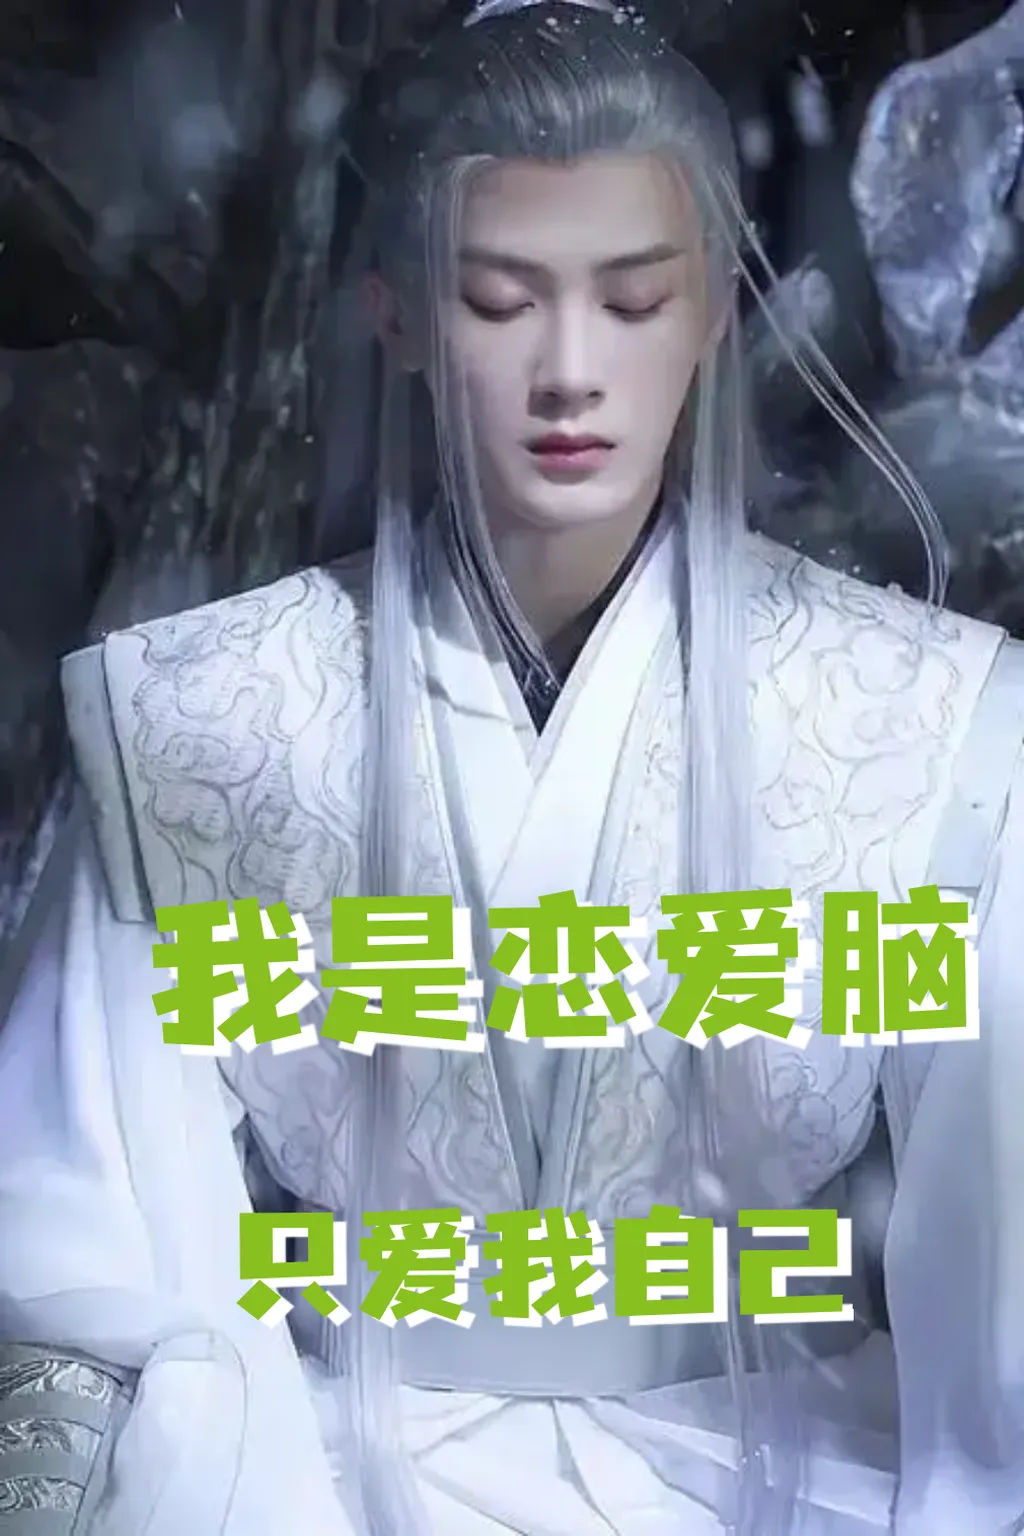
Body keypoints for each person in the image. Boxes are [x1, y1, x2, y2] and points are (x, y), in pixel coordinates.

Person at [2, 1, 1023, 1532]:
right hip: (302, 1469)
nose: (569, 370)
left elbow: (999, 1261)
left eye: (634, 299)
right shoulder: (193, 714)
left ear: (714, 311)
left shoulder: (931, 714)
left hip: (802, 1465)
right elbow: (82, 1231)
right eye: (498, 300)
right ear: (400, 316)